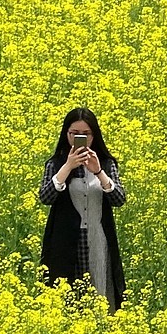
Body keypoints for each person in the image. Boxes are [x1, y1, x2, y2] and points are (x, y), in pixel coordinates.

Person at [38, 108, 127, 313]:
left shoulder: (105, 163)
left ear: (94, 135)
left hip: (99, 239)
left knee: (101, 290)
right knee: (65, 292)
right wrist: (68, 167)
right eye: (74, 133)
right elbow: (46, 197)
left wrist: (98, 171)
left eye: (85, 134)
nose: (80, 138)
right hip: (65, 240)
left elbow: (119, 199)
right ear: (66, 134)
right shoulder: (56, 164)